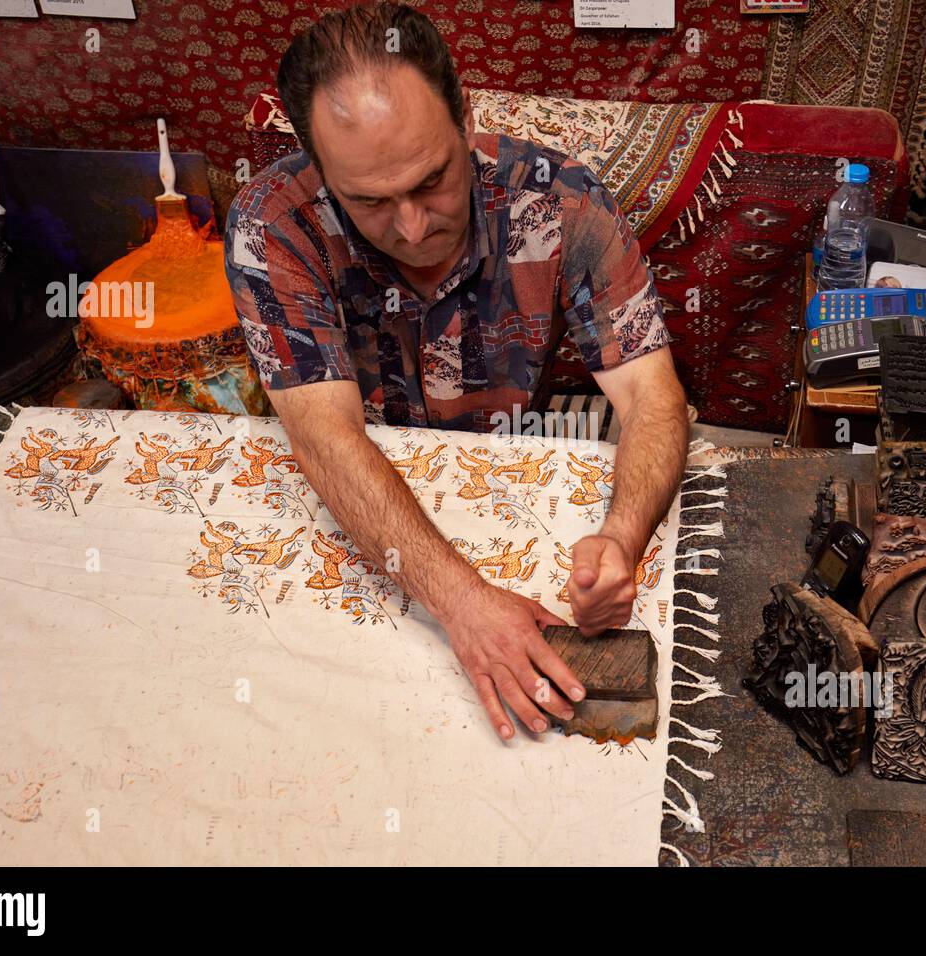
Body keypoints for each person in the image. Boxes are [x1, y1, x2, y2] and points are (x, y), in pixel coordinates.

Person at [224, 2, 688, 741]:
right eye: (369, 202)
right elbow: (325, 442)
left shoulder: (558, 197)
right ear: (317, 166)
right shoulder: (275, 223)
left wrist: (623, 537)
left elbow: (652, 393)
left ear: (465, 118)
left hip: (513, 483)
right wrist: (466, 605)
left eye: (432, 181)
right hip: (373, 523)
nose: (411, 226)